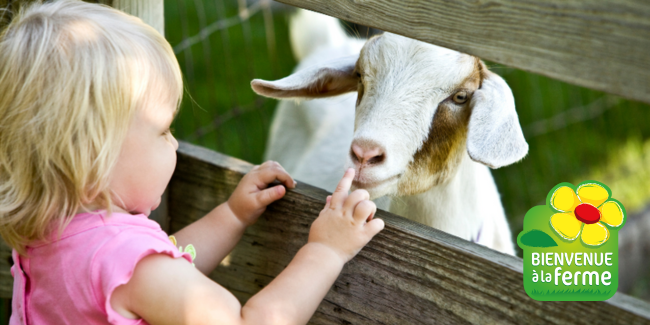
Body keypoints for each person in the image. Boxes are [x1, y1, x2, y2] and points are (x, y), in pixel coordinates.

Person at [0, 1, 385, 324]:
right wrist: (326, 251)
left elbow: (159, 266)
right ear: (92, 160)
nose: (175, 141)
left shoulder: (52, 235)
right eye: (164, 130)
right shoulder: (128, 264)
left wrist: (230, 217)